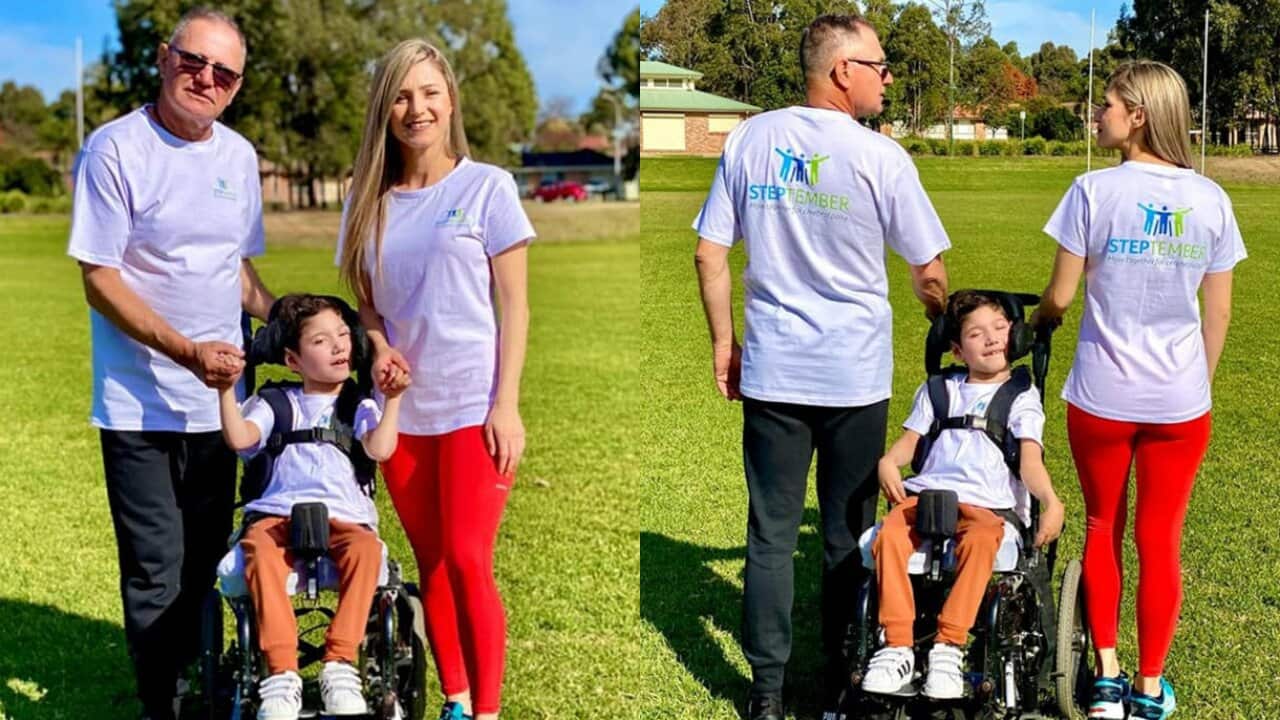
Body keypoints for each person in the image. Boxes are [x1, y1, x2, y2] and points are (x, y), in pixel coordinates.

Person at [691, 14, 950, 720]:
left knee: (771, 533)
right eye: (881, 64)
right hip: (853, 377)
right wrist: (944, 320)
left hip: (773, 369)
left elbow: (709, 254)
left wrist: (724, 343)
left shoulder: (750, 137)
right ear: (842, 70)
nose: (888, 77)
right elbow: (928, 272)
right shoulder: (880, 157)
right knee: (844, 531)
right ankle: (839, 678)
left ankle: (767, 692)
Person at [65, 8, 274, 719]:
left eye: (224, 72)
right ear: (163, 58)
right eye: (194, 61)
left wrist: (288, 319)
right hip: (138, 403)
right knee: (154, 567)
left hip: (221, 405)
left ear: (236, 86)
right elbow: (99, 278)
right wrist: (185, 351)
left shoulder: (240, 158)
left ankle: (199, 681)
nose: (206, 78)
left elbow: (236, 269)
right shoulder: (114, 149)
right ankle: (164, 702)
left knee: (204, 562)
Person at [1031, 60, 1245, 720]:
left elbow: (1061, 297)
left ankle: (1105, 677)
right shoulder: (1209, 198)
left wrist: (1037, 320)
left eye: (1107, 105)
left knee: (1103, 526)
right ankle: (1149, 688)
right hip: (1179, 404)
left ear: (1139, 114)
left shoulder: (1092, 191)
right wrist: (1192, 387)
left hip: (1100, 395)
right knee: (1161, 540)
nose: (1097, 116)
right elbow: (1220, 314)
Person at [335, 39, 533, 720]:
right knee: (432, 563)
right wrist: (380, 345)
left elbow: (516, 304)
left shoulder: (487, 187)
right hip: (403, 420)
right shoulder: (366, 201)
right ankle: (454, 698)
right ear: (384, 110)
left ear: (450, 100)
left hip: (474, 409)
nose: (416, 108)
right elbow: (367, 305)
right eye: (400, 95)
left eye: (428, 93)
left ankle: (488, 712)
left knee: (471, 557)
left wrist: (505, 406)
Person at [862, 290, 1064, 699]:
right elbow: (907, 445)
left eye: (1000, 329)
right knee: (889, 535)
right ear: (956, 349)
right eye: (976, 334)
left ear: (1017, 336)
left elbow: (1029, 462)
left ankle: (947, 647)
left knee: (984, 538)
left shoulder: (1022, 398)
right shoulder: (939, 390)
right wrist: (888, 463)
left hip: (989, 506)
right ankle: (897, 646)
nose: (991, 339)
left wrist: (1051, 501)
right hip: (928, 498)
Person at [217, 294, 406, 720]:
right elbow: (242, 439)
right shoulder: (274, 403)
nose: (339, 346)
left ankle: (340, 663)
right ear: (292, 360)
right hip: (276, 513)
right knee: (260, 551)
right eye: (321, 341)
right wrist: (226, 392)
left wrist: (392, 401)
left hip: (345, 515)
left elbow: (379, 448)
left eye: (343, 336)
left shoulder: (357, 404)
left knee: (366, 550)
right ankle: (281, 672)